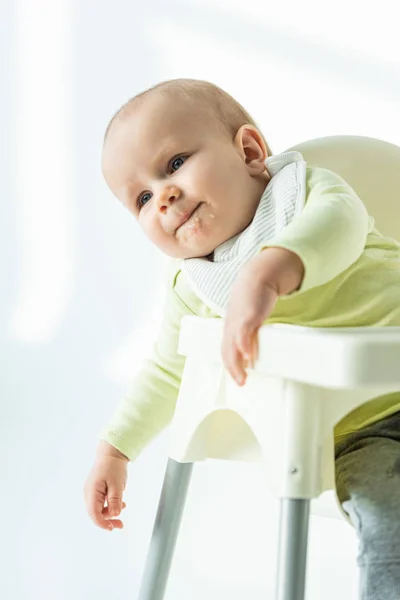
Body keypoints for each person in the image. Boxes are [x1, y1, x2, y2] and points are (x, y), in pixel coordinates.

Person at [84, 78, 400, 599]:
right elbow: (170, 367)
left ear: (250, 151)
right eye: (141, 197)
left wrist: (272, 269)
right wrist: (115, 450)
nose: (162, 195)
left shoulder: (313, 193)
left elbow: (337, 228)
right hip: (355, 436)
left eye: (174, 163)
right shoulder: (195, 285)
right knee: (391, 532)